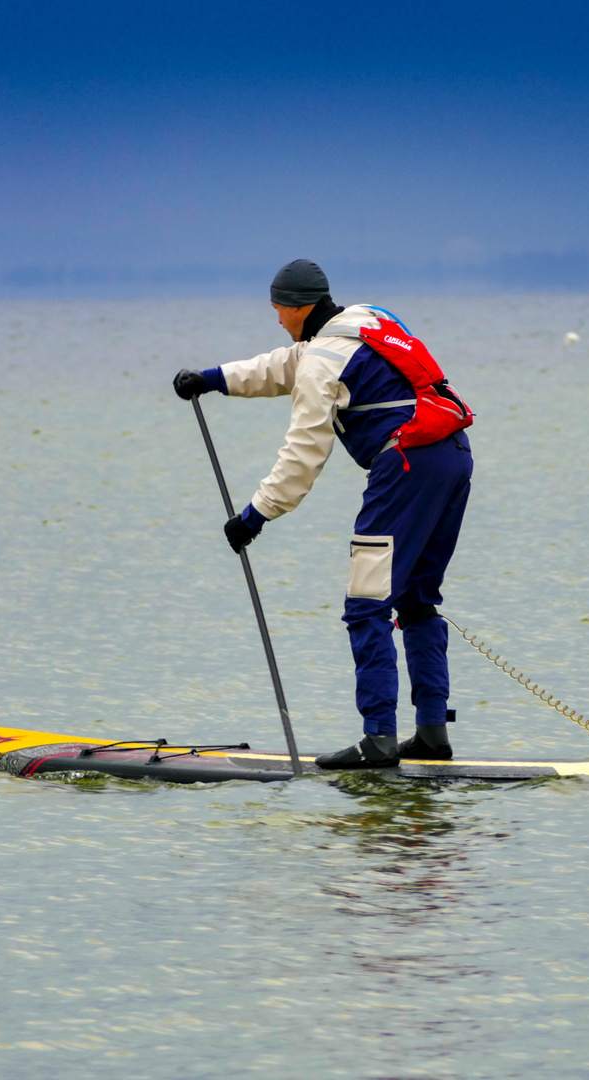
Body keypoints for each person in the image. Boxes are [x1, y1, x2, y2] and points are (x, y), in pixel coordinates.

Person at [173, 259, 474, 768]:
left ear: (297, 306)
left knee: (366, 604)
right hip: (455, 457)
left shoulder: (323, 359)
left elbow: (303, 453)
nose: (277, 319)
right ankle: (431, 736)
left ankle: (379, 740)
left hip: (404, 466)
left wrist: (254, 515)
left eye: (278, 310)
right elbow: (286, 365)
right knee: (417, 601)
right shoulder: (369, 320)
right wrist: (210, 379)